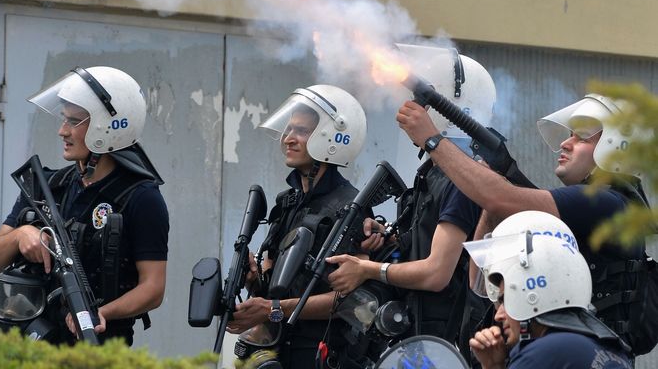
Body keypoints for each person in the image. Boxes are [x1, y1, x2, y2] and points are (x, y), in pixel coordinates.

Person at [396, 85, 650, 354]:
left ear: (615, 147)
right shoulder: (599, 205)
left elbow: (499, 196)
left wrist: (432, 140)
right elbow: (482, 282)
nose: (565, 143)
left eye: (582, 138)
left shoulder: (605, 202)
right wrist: (495, 202)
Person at [0, 66, 169, 346]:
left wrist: (100, 313)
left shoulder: (141, 198)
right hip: (35, 346)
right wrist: (21, 236)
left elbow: (153, 288)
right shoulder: (48, 187)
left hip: (98, 349)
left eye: (74, 121)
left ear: (106, 128)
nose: (62, 131)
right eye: (64, 119)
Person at [327, 46, 493, 355]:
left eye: (422, 101)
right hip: (419, 339)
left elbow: (436, 274)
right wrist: (386, 241)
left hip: (445, 345)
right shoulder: (432, 175)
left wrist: (368, 270)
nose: (408, 107)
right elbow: (419, 250)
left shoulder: (462, 179)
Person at [227, 84, 367, 368]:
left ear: (332, 138)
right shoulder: (287, 202)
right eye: (288, 129)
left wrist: (271, 310)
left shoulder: (351, 208)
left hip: (320, 354)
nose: (288, 139)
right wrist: (255, 280)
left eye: (301, 131)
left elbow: (353, 302)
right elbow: (272, 289)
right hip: (277, 350)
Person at [465, 225, 632, 368]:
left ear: (532, 296)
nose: (498, 315)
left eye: (505, 300)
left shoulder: (544, 351)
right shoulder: (612, 349)